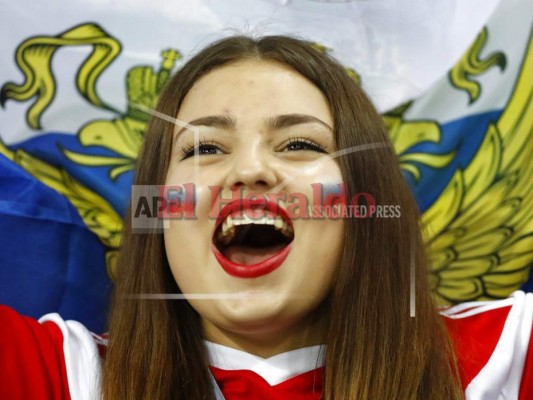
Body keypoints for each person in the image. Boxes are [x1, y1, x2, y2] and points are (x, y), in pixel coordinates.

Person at [0, 35, 532, 400]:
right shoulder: (64, 378)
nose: (250, 169)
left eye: (299, 143)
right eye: (204, 148)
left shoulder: (504, 357)